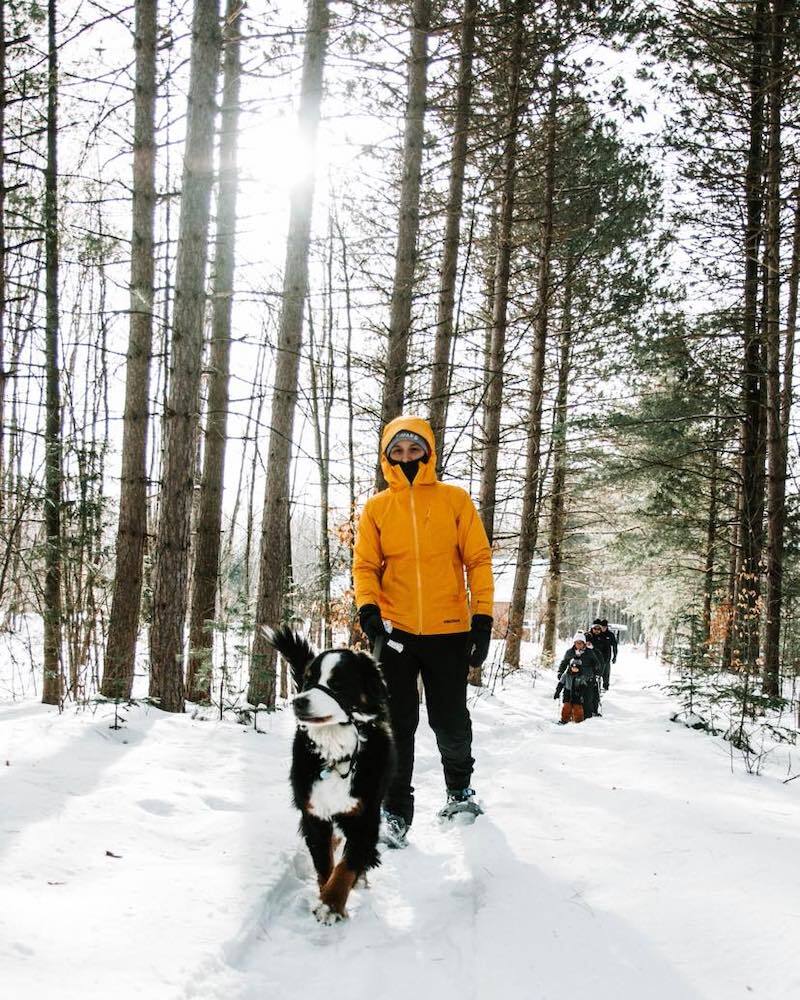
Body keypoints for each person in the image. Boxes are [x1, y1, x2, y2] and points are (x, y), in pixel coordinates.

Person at [353, 415, 494, 848]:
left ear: (428, 452)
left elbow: (478, 560)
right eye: (398, 451)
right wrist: (368, 608)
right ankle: (395, 811)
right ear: (387, 456)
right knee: (397, 724)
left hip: (448, 631)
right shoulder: (378, 508)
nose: (406, 458)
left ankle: (460, 792)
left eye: (414, 450)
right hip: (395, 633)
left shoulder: (454, 500)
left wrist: (483, 618)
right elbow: (365, 566)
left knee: (449, 719)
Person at [554, 633, 600, 724]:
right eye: (577, 643)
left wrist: (596, 673)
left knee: (587, 699)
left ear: (584, 643)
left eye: (581, 643)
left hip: (587, 678)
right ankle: (568, 717)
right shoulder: (570, 652)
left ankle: (587, 717)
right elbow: (564, 662)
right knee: (571, 699)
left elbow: (596, 664)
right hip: (572, 677)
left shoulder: (589, 652)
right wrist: (560, 672)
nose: (578, 645)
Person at [599, 619, 618, 688]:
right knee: (598, 673)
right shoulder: (597, 633)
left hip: (606, 657)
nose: (603, 628)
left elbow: (615, 646)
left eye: (605, 627)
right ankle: (596, 687)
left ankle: (605, 686)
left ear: (607, 627)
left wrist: (615, 656)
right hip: (597, 657)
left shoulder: (610, 635)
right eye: (602, 627)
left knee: (606, 673)